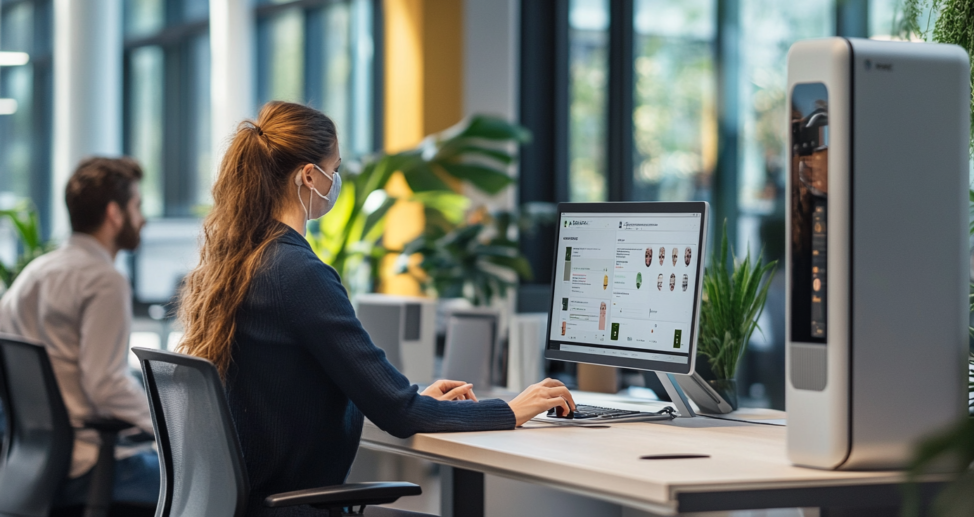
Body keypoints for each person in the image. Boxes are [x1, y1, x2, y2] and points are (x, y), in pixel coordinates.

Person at [175, 102, 575, 516]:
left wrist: (418, 399)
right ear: (309, 176)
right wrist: (511, 409)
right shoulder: (297, 274)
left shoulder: (240, 263)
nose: (336, 180)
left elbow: (310, 391)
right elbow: (399, 415)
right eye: (335, 168)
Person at [0, 157, 159, 508]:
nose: (142, 218)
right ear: (114, 214)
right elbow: (105, 385)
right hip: (90, 466)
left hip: (35, 466)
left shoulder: (35, 272)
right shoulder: (105, 281)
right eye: (137, 206)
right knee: (209, 486)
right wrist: (172, 424)